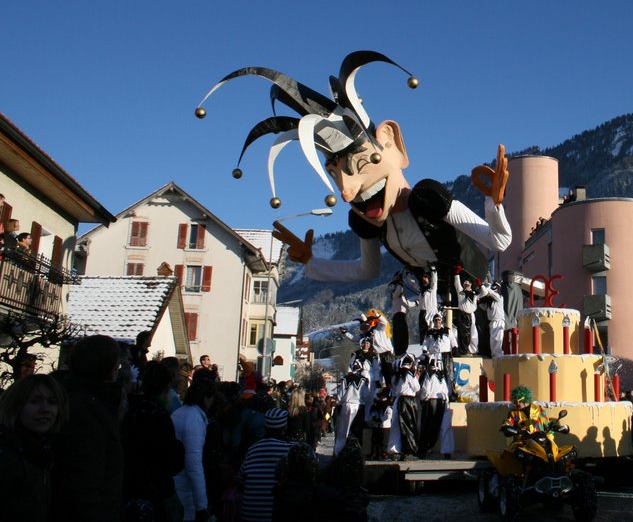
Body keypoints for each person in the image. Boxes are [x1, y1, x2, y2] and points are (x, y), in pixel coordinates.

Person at [193, 53, 514, 305]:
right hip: (431, 305)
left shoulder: (429, 198)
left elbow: (498, 242)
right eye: (335, 175)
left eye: (358, 167)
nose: (346, 191)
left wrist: (494, 203)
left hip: (475, 298)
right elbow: (366, 270)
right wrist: (312, 262)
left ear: (391, 145)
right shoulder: (370, 221)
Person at [52, 334, 126, 522]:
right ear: (108, 369)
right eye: (117, 364)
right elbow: (84, 479)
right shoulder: (88, 409)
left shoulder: (68, 395)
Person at [122, 361, 185, 522]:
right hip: (156, 491)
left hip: (128, 488)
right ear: (165, 390)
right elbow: (172, 462)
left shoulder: (129, 410)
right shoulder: (159, 416)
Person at [0, 374, 67, 522]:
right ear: (15, 405)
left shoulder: (46, 452)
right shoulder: (7, 456)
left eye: (52, 402)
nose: (45, 409)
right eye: (34, 402)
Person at [238, 407, 294, 522]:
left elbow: (241, 478)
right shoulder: (292, 450)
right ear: (284, 428)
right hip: (278, 514)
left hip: (250, 513)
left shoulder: (253, 449)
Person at [172, 376, 217, 522]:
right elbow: (194, 464)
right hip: (184, 489)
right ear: (205, 398)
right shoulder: (194, 419)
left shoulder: (180, 412)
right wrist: (201, 505)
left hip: (176, 484)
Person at [389, 353, 421, 460]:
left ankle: (394, 450)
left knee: (396, 426)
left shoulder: (396, 375)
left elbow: (393, 390)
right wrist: (417, 377)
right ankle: (409, 451)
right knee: (409, 426)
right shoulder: (409, 374)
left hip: (398, 400)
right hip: (408, 401)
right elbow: (416, 388)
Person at [418, 356, 449, 458]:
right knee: (436, 427)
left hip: (431, 402)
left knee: (427, 426)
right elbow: (446, 391)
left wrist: (422, 399)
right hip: (441, 402)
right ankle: (431, 446)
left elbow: (425, 391)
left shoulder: (429, 376)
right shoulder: (442, 377)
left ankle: (423, 449)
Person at [387, 270, 417, 356]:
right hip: (398, 316)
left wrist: (417, 303)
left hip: (402, 316)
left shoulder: (401, 297)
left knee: (404, 334)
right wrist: (399, 282)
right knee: (399, 335)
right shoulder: (394, 294)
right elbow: (399, 290)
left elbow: (407, 304)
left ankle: (403, 351)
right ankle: (399, 352)